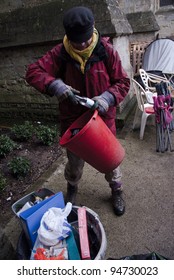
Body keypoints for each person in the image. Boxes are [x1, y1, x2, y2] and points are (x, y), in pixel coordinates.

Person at [25, 6, 130, 216]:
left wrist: (107, 98)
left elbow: (123, 82)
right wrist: (55, 85)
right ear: (68, 36)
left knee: (109, 160)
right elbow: (33, 72)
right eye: (77, 40)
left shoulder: (106, 51)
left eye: (86, 39)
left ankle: (116, 190)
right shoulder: (60, 53)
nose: (82, 44)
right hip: (74, 122)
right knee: (74, 164)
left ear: (93, 31)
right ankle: (72, 190)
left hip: (102, 120)